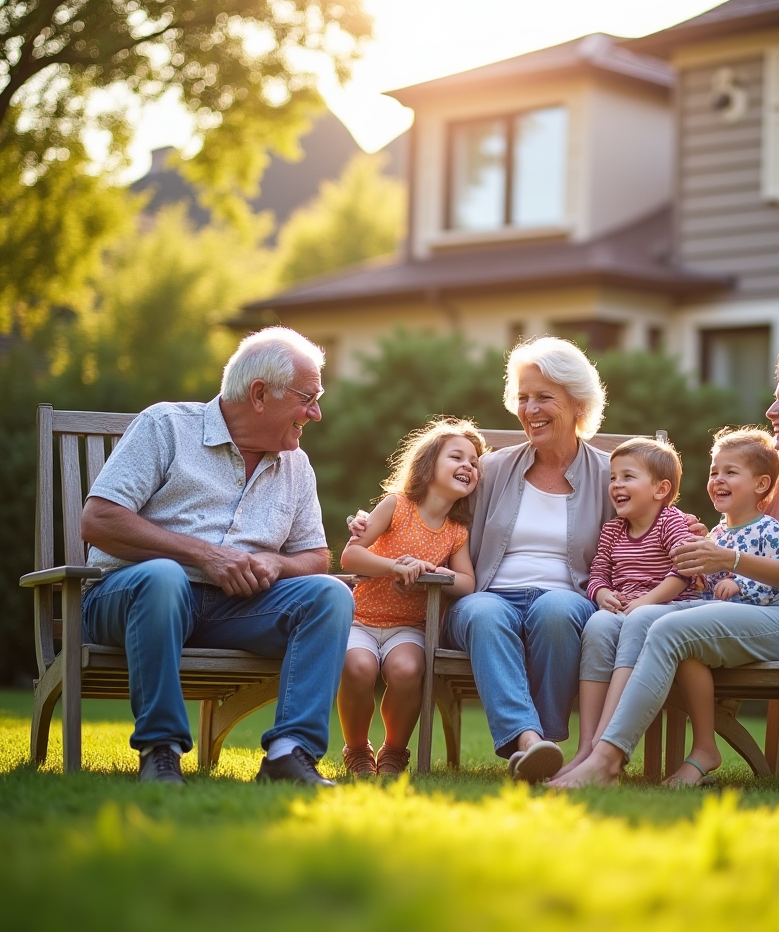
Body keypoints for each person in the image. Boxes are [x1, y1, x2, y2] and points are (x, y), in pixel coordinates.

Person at [552, 345, 779, 789]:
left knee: (667, 629)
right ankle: (593, 751)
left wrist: (731, 560)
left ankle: (607, 762)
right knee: (628, 620)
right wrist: (697, 539)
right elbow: (731, 535)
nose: (770, 409)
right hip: (764, 613)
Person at [80, 326, 354, 786]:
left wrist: (278, 564)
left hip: (235, 610)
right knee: (164, 576)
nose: (317, 413)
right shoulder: (166, 426)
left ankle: (290, 753)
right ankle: (161, 750)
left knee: (329, 595)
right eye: (308, 398)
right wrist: (205, 555)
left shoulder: (296, 465)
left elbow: (314, 555)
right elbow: (99, 520)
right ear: (260, 394)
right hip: (132, 598)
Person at [436, 337, 613, 783]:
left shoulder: (611, 474)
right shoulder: (491, 470)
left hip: (568, 599)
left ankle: (541, 745)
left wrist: (683, 528)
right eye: (523, 397)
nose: (530, 408)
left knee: (557, 610)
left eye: (543, 398)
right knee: (482, 611)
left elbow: (649, 527)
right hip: (488, 596)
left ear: (578, 405)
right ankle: (532, 743)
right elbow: (432, 510)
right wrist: (376, 524)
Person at [338, 419, 483, 778]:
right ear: (429, 463)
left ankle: (394, 752)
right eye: (457, 456)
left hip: (410, 627)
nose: (468, 465)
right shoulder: (396, 505)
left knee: (407, 670)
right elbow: (351, 557)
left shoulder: (456, 532)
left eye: (475, 462)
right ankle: (357, 750)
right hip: (363, 619)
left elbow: (466, 583)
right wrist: (396, 567)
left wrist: (434, 572)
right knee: (358, 668)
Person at [555, 437, 705, 778]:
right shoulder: (612, 531)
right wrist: (602, 595)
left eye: (627, 477)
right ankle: (588, 747)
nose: (616, 485)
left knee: (634, 622)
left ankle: (605, 749)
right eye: (613, 478)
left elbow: (684, 570)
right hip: (623, 612)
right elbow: (597, 575)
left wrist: (644, 601)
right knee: (596, 625)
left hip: (664, 609)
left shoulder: (671, 522)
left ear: (660, 489)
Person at [702, 427, 779, 605]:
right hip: (707, 610)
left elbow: (778, 581)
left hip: (744, 619)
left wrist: (740, 585)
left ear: (760, 484)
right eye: (714, 472)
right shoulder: (716, 533)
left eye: (730, 472)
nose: (718, 479)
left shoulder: (769, 531)